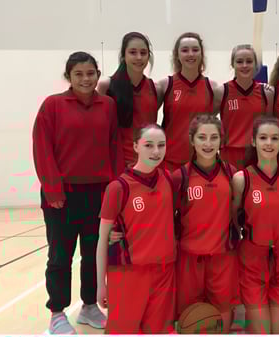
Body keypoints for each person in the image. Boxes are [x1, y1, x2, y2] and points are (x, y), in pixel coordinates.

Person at [32, 51, 121, 334]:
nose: (85, 79)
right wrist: (53, 189)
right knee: (60, 256)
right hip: (62, 196)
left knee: (95, 254)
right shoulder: (53, 105)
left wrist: (117, 190)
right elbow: (42, 148)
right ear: (68, 77)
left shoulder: (107, 105)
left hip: (99, 194)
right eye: (79, 74)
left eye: (91, 73)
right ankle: (57, 313)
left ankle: (89, 307)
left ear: (98, 75)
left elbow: (114, 147)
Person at [96, 124, 178, 333]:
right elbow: (102, 240)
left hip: (164, 271)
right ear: (135, 146)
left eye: (161, 145)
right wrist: (100, 285)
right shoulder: (118, 187)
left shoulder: (170, 180)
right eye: (148, 145)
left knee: (158, 331)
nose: (156, 151)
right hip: (128, 273)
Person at [231, 116, 279, 333]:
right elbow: (233, 217)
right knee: (260, 332)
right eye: (263, 138)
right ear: (253, 141)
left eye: (274, 138)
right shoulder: (242, 178)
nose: (268, 143)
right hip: (253, 257)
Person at [174, 114, 240, 333]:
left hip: (222, 258)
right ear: (192, 140)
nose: (208, 143)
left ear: (221, 140)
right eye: (202, 137)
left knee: (222, 326)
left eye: (213, 137)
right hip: (189, 259)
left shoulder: (232, 175)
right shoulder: (180, 176)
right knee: (189, 324)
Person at [159, 32, 220, 172]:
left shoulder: (213, 87)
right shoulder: (165, 85)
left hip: (203, 162)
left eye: (195, 50)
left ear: (201, 54)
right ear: (177, 55)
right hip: (171, 161)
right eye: (185, 50)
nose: (190, 54)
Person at [98, 32, 161, 166]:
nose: (139, 57)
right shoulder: (106, 85)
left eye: (143, 53)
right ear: (123, 55)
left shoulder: (156, 88)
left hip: (147, 163)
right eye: (133, 52)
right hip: (118, 163)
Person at [217, 44, 274, 169]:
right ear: (232, 64)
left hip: (257, 153)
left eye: (249, 61)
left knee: (256, 188)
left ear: (255, 64)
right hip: (230, 154)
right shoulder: (222, 91)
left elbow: (270, 126)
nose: (244, 65)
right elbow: (208, 120)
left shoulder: (267, 92)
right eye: (239, 61)